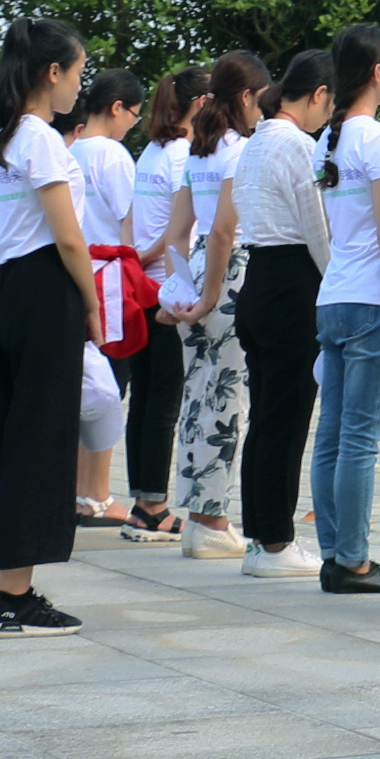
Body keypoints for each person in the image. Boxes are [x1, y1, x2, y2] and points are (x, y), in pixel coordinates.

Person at [0, 17, 95, 638]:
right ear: (53, 72)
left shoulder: (0, 136)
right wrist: (95, 304)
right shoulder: (41, 138)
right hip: (47, 287)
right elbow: (68, 236)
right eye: (77, 71)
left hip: (14, 286)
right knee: (39, 440)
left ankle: (2, 587)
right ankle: (14, 597)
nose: (79, 84)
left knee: (7, 433)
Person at [307, 24, 380, 594]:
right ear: (376, 71)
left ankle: (334, 553)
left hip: (335, 296)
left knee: (332, 436)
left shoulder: (328, 140)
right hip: (373, 300)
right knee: (361, 440)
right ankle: (353, 559)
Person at [229, 50, 333, 578]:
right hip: (294, 283)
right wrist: (337, 279)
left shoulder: (255, 141)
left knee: (267, 416)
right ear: (318, 95)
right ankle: (274, 542)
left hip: (259, 279)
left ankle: (260, 537)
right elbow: (316, 227)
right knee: (286, 419)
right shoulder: (298, 145)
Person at [167, 52, 262, 559]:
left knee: (197, 396)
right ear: (246, 97)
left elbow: (177, 235)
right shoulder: (241, 151)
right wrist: (208, 294)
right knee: (227, 399)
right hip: (231, 272)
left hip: (201, 268)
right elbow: (226, 229)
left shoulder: (197, 152)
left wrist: (181, 292)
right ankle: (212, 519)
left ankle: (197, 515)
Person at [113, 68, 198, 543]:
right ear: (200, 103)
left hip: (140, 284)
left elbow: (132, 218)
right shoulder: (184, 154)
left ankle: (142, 501)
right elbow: (179, 228)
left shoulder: (150, 151)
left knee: (143, 399)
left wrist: (133, 257)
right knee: (163, 401)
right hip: (165, 286)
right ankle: (153, 507)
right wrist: (148, 257)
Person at [64, 71, 149, 525]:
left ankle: (78, 488)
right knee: (109, 387)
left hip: (73, 274)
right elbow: (127, 225)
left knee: (82, 384)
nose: (132, 124)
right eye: (134, 114)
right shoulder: (113, 155)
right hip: (109, 278)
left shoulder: (71, 149)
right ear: (117, 107)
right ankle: (95, 493)